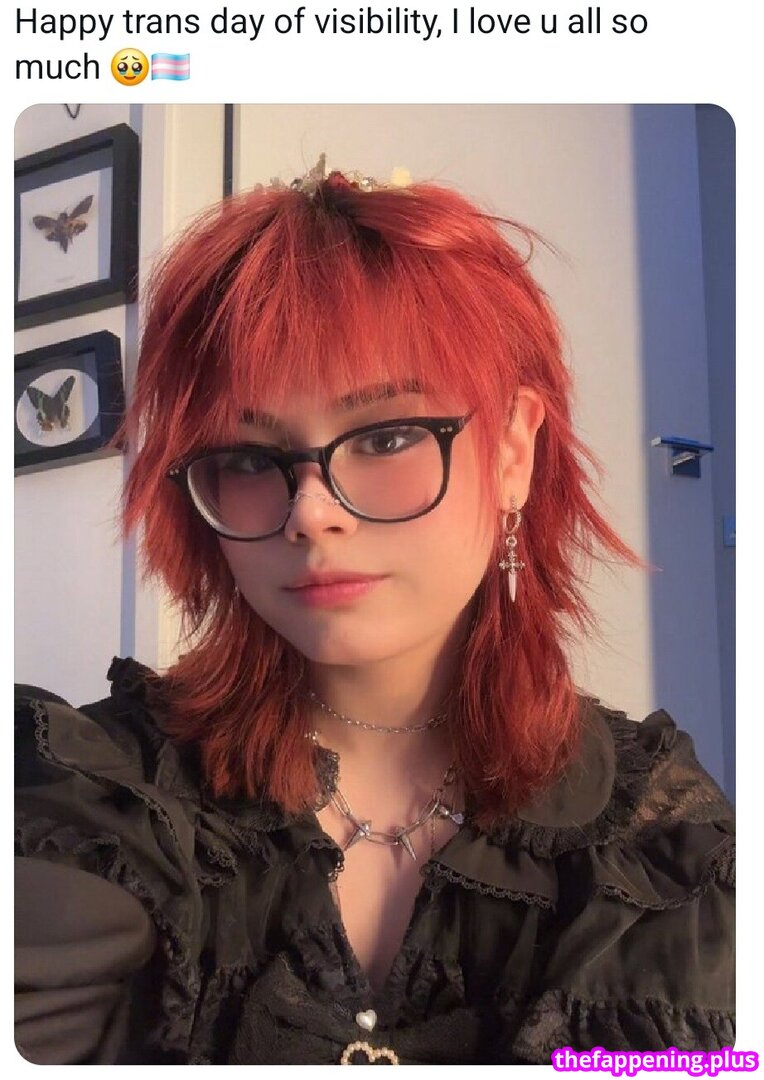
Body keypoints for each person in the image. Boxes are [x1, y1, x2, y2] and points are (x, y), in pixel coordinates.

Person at [15, 157, 735, 1065]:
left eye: (388, 435)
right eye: (248, 459)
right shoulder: (103, 804)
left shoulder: (657, 843)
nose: (311, 512)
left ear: (513, 453)